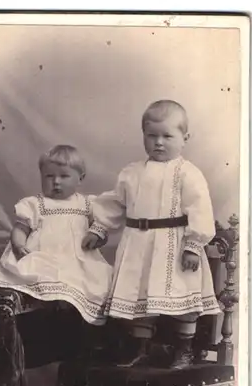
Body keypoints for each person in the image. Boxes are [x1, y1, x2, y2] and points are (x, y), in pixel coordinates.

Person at [82, 100, 221, 368]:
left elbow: (200, 209)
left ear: (184, 138)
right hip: (138, 243)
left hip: (174, 244)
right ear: (143, 135)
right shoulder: (132, 173)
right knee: (139, 295)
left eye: (167, 136)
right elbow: (114, 203)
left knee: (182, 295)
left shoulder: (188, 174)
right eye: (151, 135)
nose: (158, 142)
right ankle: (140, 347)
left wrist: (193, 245)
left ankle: (184, 348)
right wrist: (99, 229)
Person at [0, 144, 112, 325]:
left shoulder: (87, 204)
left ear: (80, 178)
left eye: (64, 176)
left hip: (79, 259)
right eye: (49, 176)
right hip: (45, 256)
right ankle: (50, 318)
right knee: (46, 275)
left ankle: (76, 325)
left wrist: (98, 236)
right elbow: (21, 228)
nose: (56, 182)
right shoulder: (35, 204)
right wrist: (19, 245)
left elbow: (101, 227)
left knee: (97, 280)